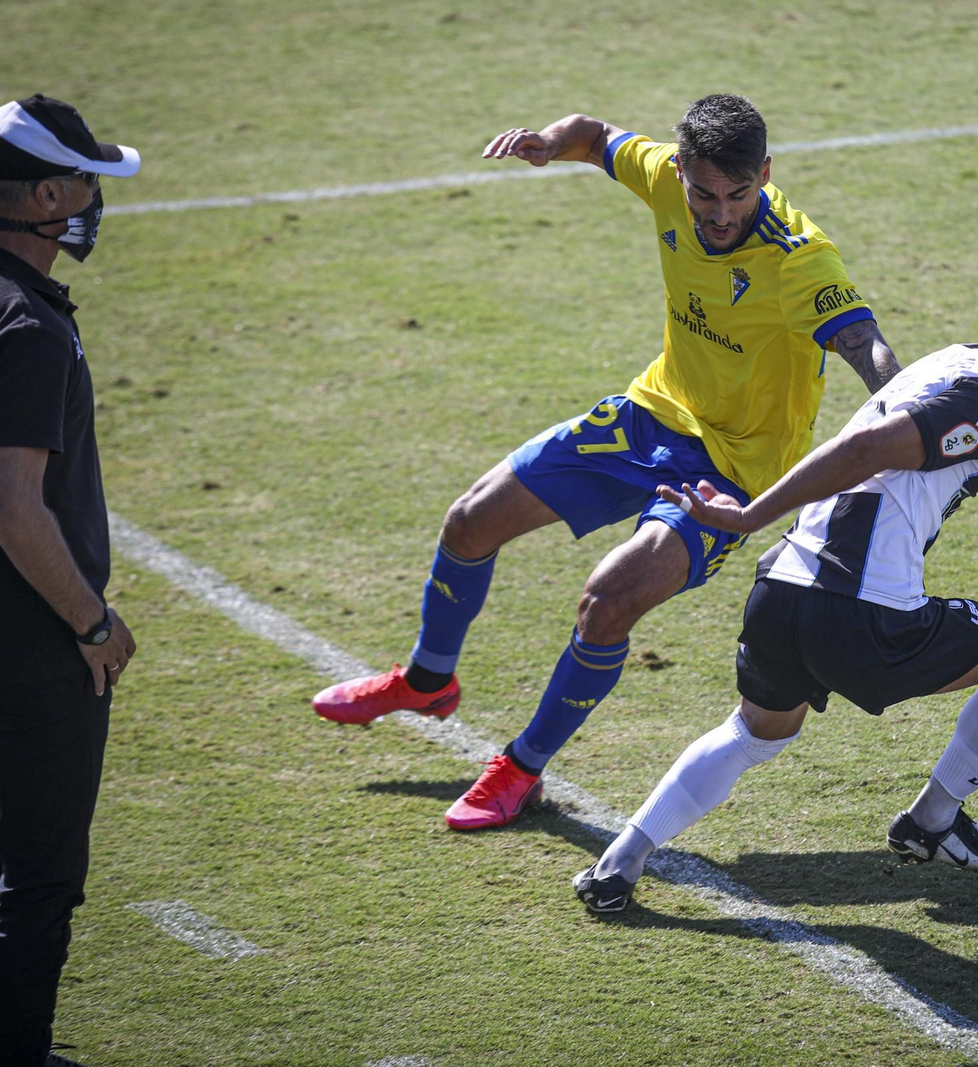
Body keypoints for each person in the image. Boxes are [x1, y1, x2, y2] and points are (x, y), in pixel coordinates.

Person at [313, 94, 903, 830]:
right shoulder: (662, 176)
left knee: (608, 599)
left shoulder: (800, 259)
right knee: (469, 522)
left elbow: (863, 344)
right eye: (705, 193)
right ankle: (428, 679)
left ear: (766, 175)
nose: (721, 213)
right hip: (649, 415)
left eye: (739, 194)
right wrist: (547, 142)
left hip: (729, 472)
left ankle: (521, 768)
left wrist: (907, 411)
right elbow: (594, 137)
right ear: (681, 169)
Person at [572, 249, 978, 913]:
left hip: (783, 592)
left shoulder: (955, 360)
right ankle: (933, 818)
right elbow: (866, 449)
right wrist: (748, 514)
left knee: (757, 732)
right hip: (865, 617)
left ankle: (620, 860)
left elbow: (882, 434)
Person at [0, 94, 141, 1066]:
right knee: (40, 875)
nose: (94, 198)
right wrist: (92, 622)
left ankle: (9, 1048)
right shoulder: (28, 327)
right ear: (45, 193)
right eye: (85, 181)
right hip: (37, 647)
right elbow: (13, 503)